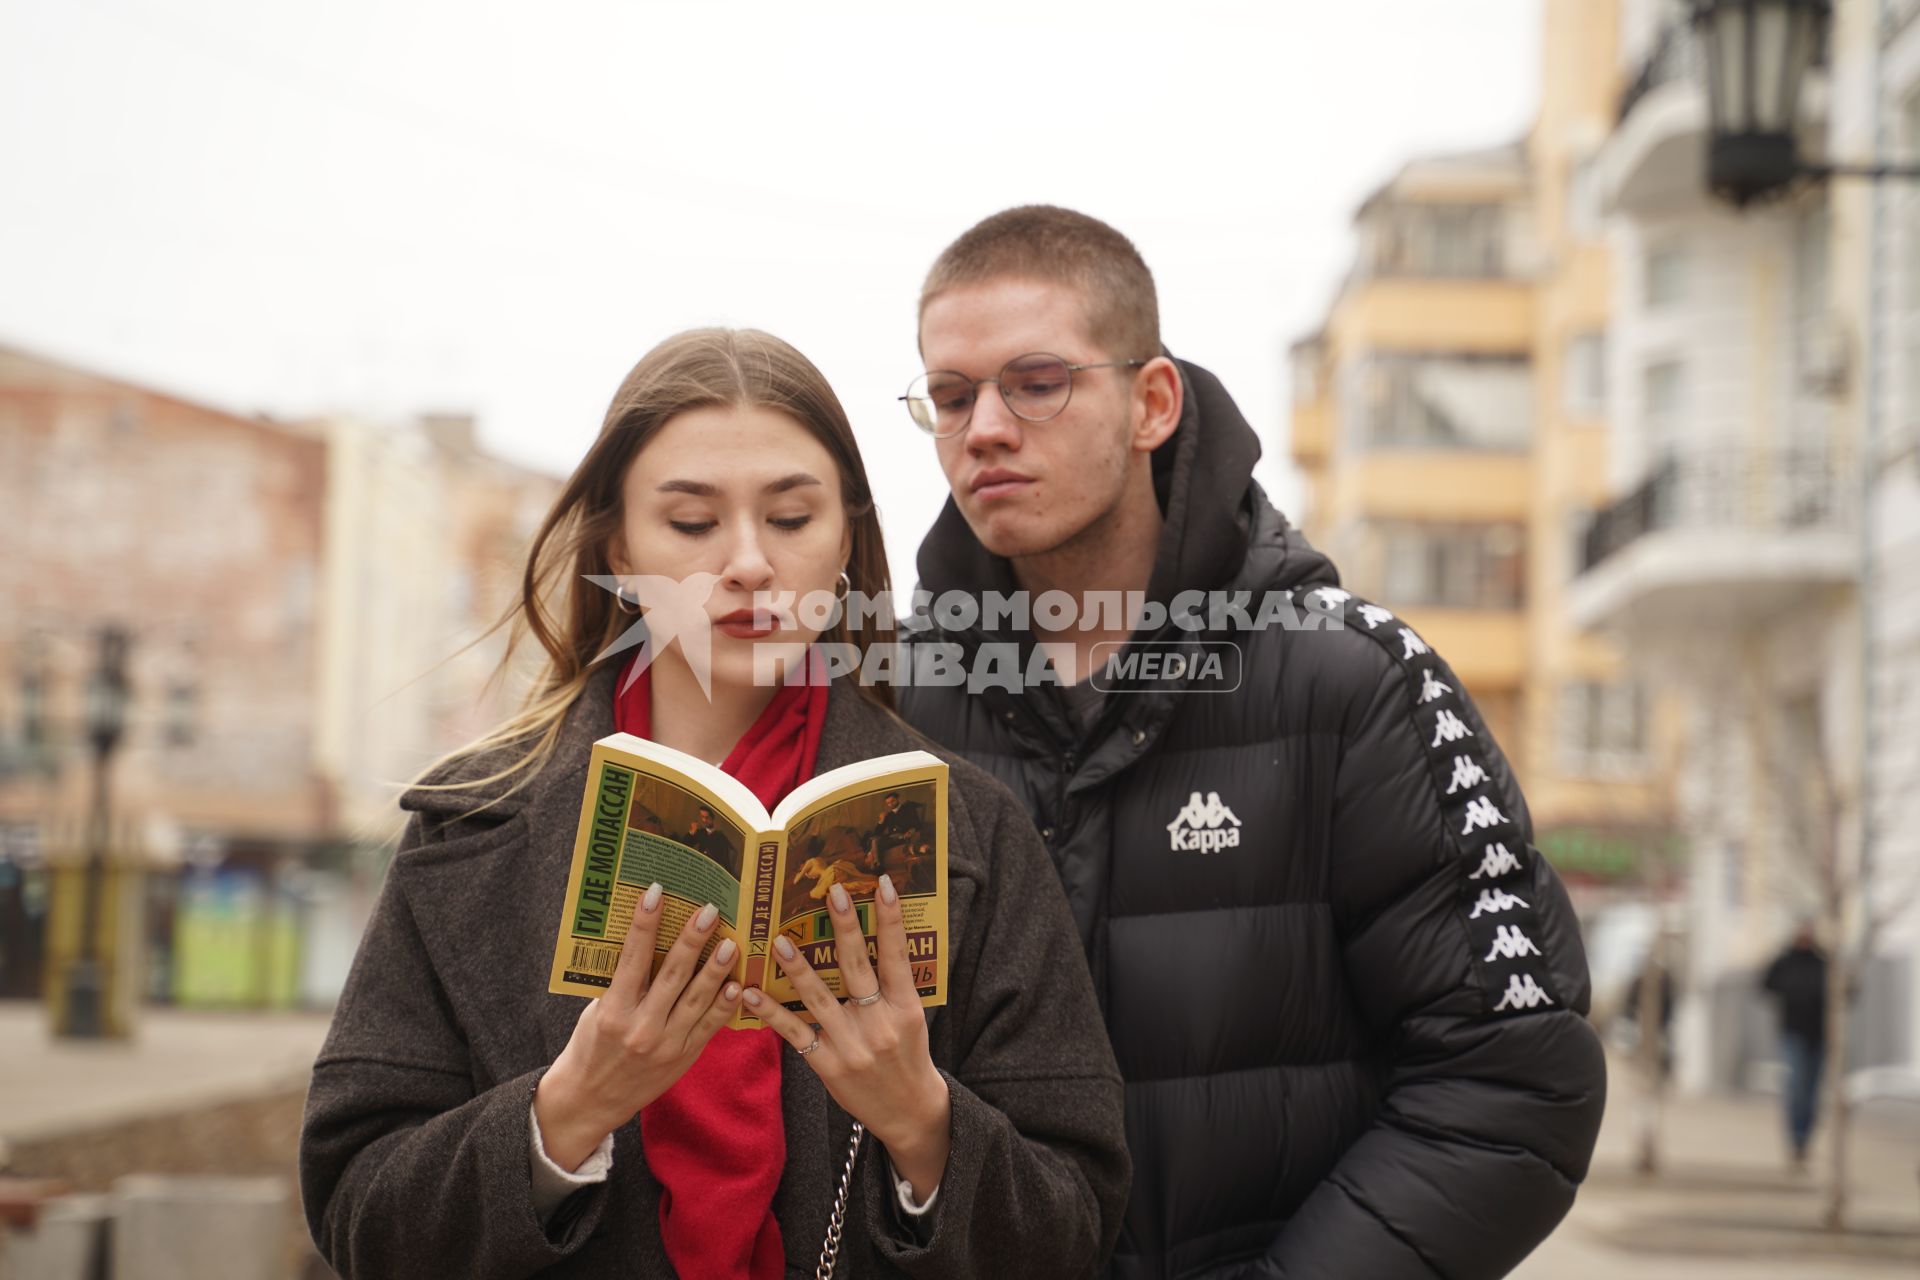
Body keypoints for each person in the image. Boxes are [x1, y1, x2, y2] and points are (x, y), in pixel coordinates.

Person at [299, 328, 1129, 1279]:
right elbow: (356, 1213)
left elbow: (1075, 1227)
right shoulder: (473, 822)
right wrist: (567, 1109)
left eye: (791, 519)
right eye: (692, 524)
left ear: (848, 539)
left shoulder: (968, 830)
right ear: (617, 543)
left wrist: (921, 1120)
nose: (746, 565)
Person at [896, 206, 1607, 1279]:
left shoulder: (1354, 682)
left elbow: (1512, 1083)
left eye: (1036, 382)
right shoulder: (895, 704)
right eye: (951, 396)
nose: (984, 426)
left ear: (1152, 402)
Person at [1762, 922, 1829, 1169]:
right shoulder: (1785, 961)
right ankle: (1796, 1139)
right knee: (1797, 1086)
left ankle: (1805, 1139)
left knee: (1812, 1091)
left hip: (1820, 1035)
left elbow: (1845, 992)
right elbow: (1766, 984)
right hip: (1794, 1033)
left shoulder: (1823, 962)